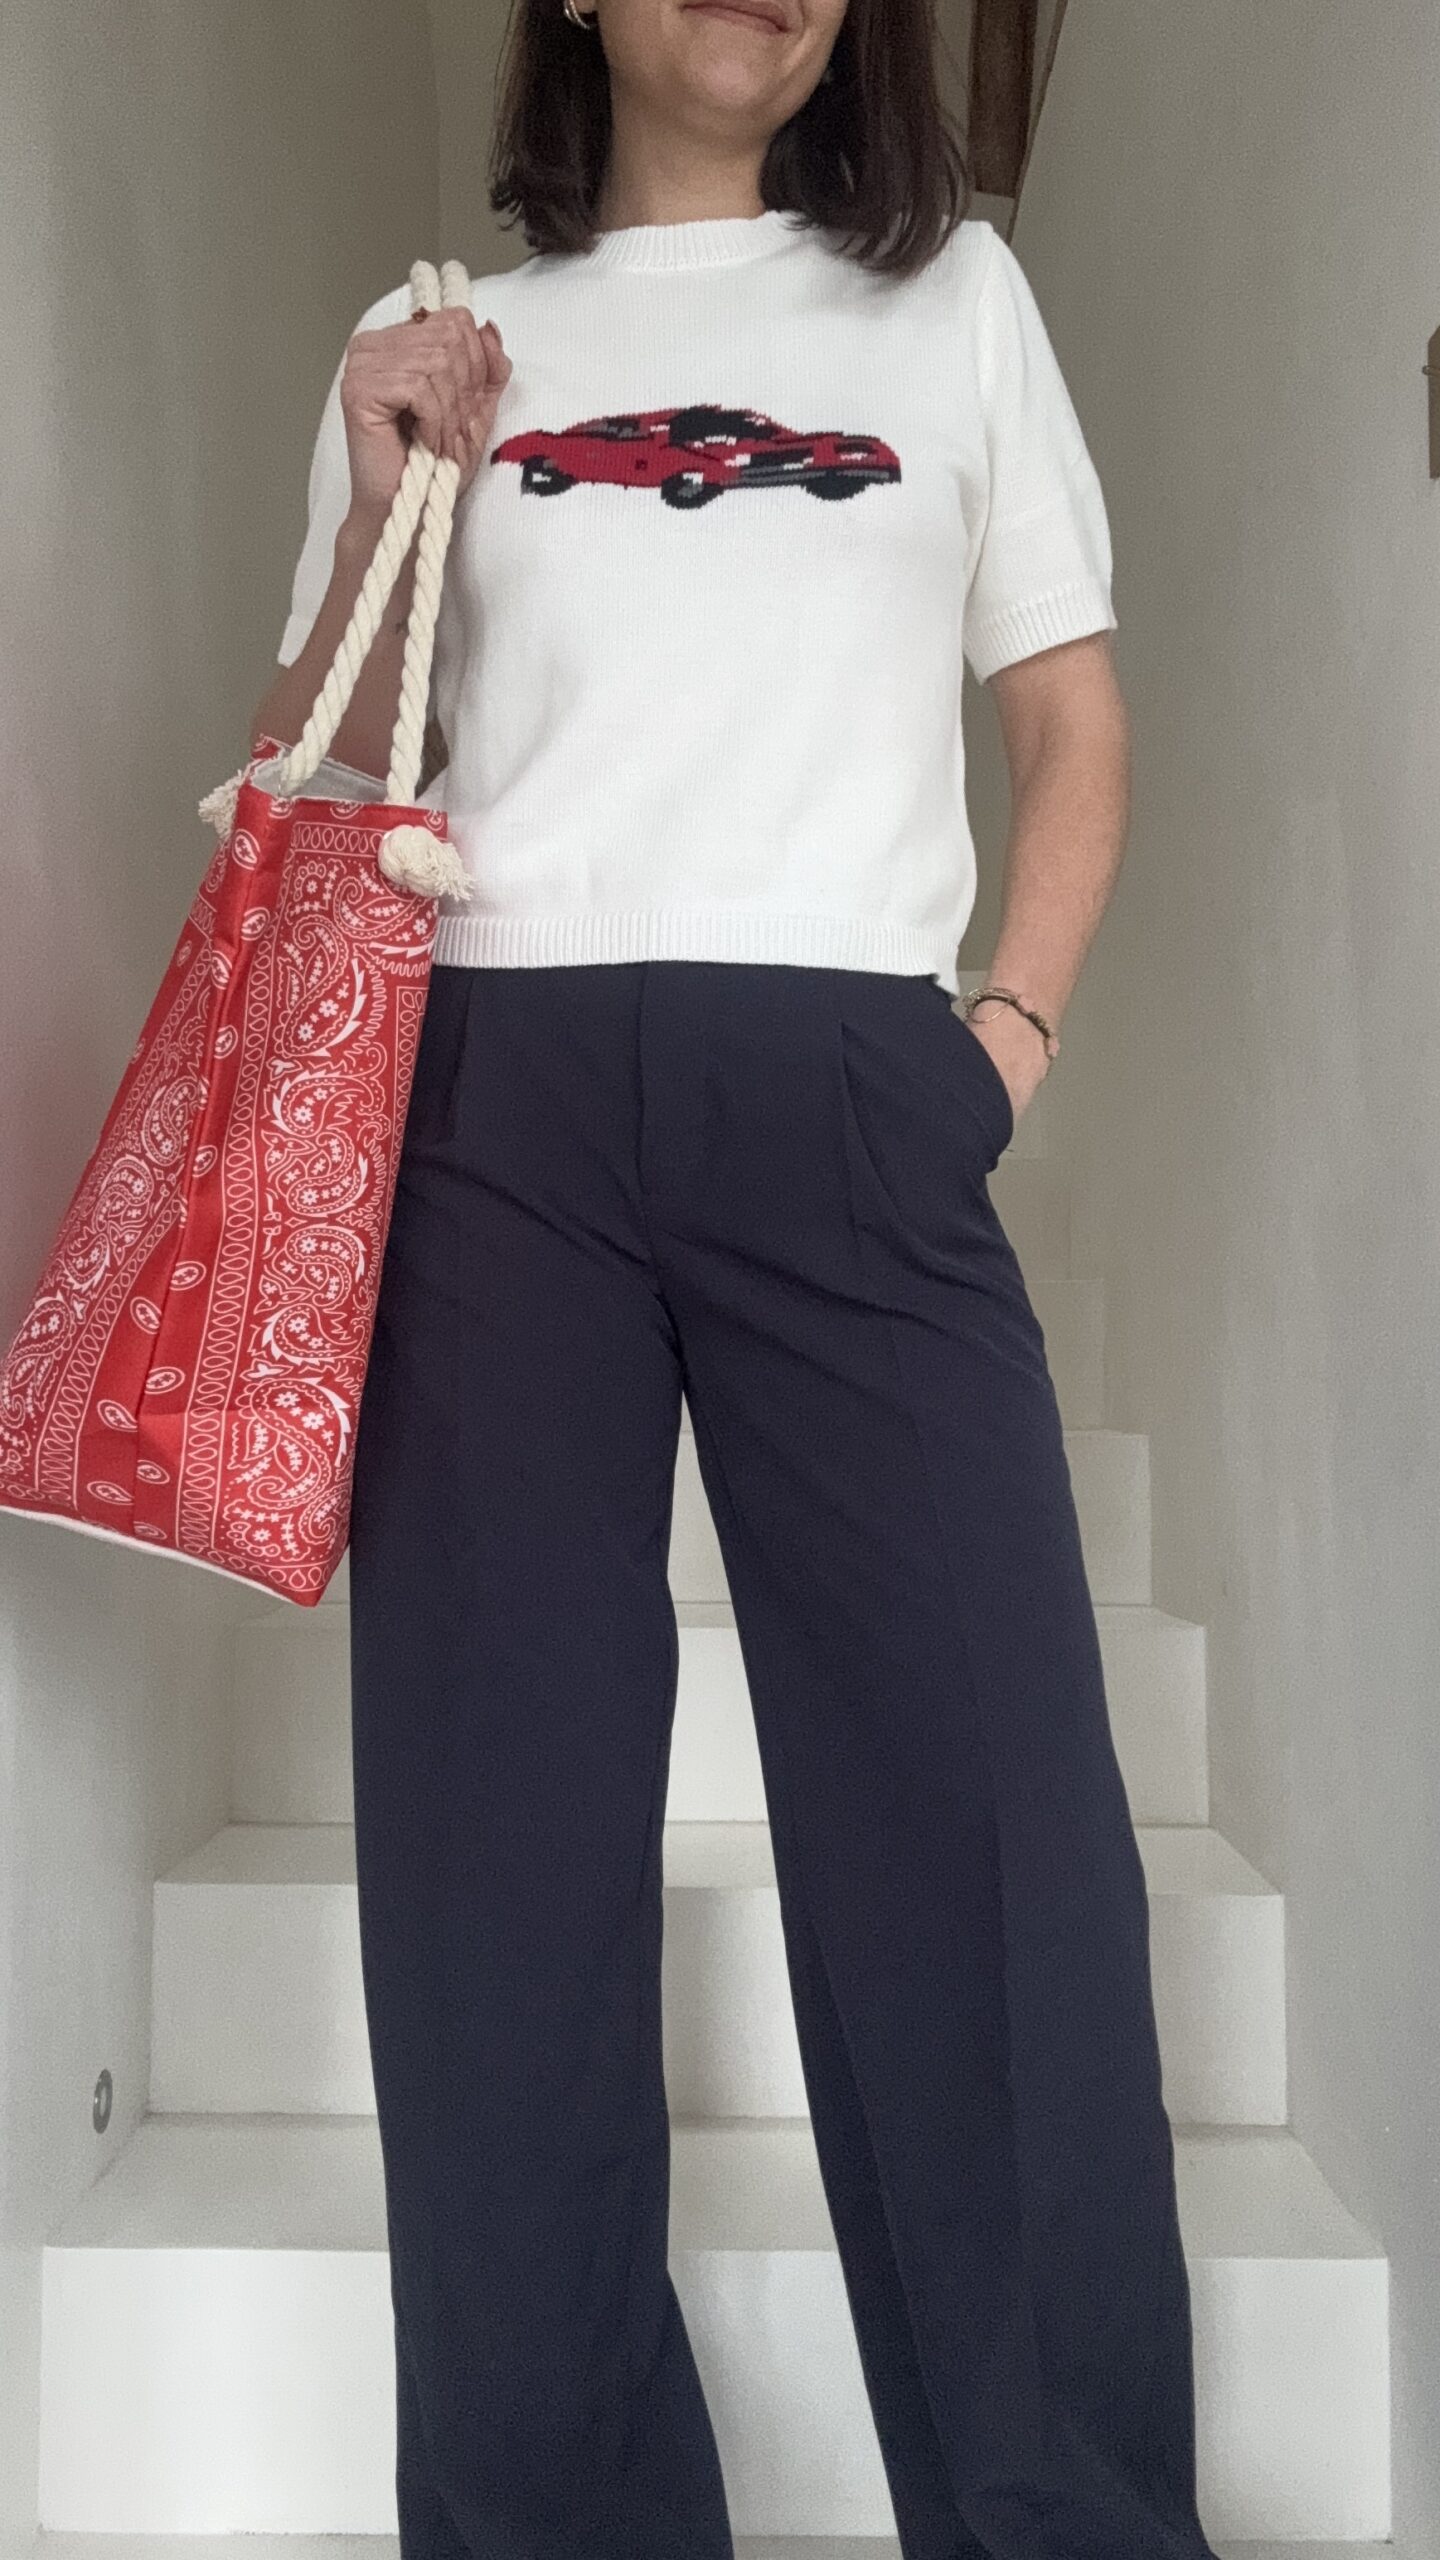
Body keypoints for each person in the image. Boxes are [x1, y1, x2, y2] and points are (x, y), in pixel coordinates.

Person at [252, 4, 1218, 2557]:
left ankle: (1065, 2515)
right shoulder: (442, 336)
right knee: (499, 1874)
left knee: (994, 1830)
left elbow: (1076, 726)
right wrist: (373, 506)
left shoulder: (955, 304)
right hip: (494, 1104)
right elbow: (324, 773)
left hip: (859, 1096)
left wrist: (1000, 1043)